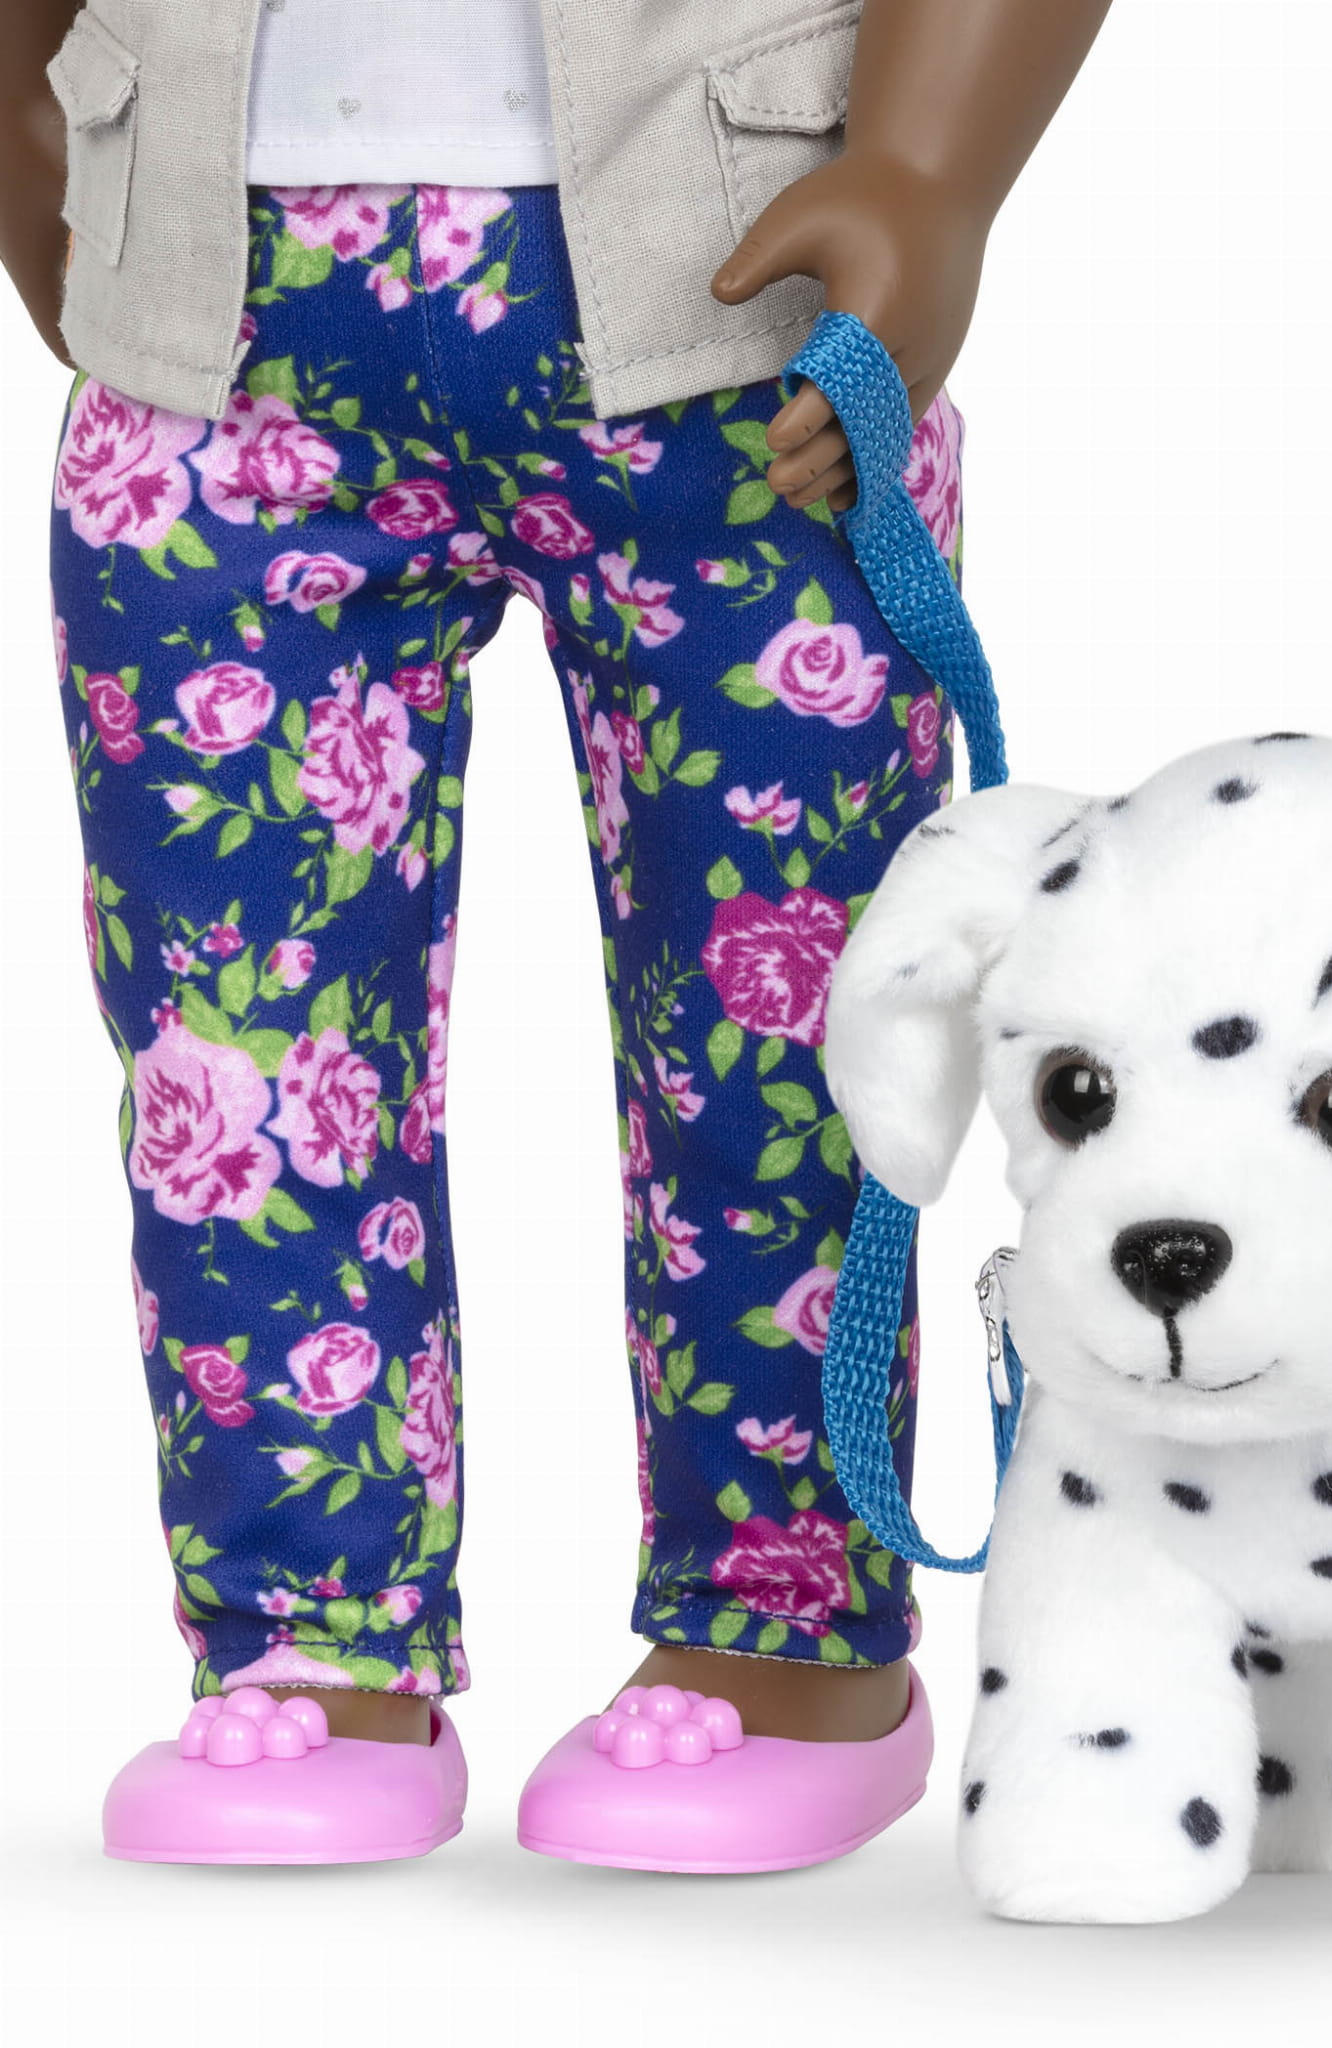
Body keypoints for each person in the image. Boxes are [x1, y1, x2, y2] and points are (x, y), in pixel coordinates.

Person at [1, 0, 1109, 1869]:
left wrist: (934, 165)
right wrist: (25, 127)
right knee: (237, 1056)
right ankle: (308, 1638)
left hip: (735, 303)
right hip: (207, 305)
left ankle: (782, 1626)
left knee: (779, 1032)